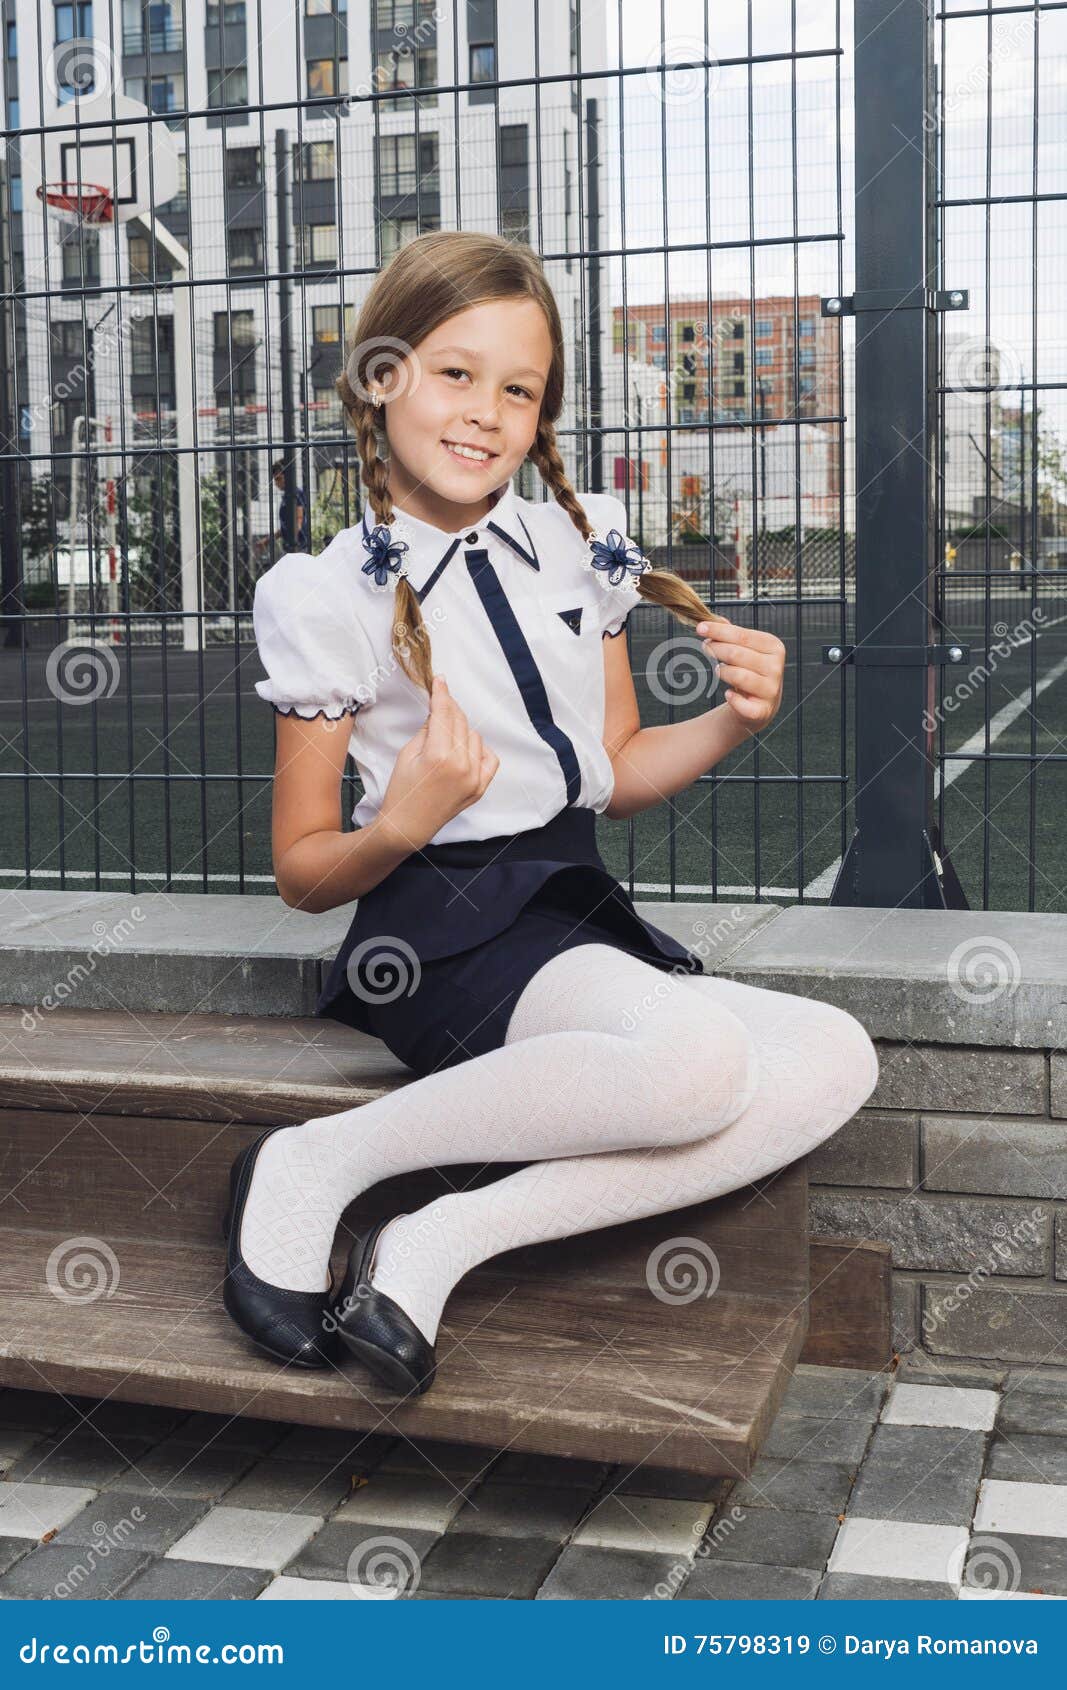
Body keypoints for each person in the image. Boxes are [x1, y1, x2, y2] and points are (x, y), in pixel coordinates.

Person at [228, 230, 879, 1394]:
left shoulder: (576, 548)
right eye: (453, 372)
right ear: (384, 380)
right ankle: (312, 1163)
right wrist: (405, 819)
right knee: (694, 1060)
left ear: (542, 417)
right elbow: (299, 871)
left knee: (834, 1055)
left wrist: (735, 718)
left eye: (517, 389)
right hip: (439, 934)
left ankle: (438, 1240)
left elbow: (615, 771)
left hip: (568, 910)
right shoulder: (328, 591)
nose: (484, 412)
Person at [271, 460, 309, 552]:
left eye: (278, 479)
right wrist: (268, 540)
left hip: (299, 546)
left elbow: (298, 520)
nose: (276, 483)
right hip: (291, 545)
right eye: (275, 479)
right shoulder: (287, 496)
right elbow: (287, 526)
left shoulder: (296, 493)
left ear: (287, 476)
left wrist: (293, 544)